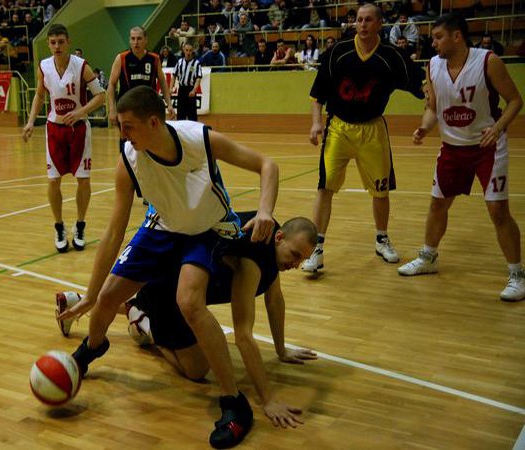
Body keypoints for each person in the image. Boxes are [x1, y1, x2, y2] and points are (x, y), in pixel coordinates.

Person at [60, 85, 278, 448]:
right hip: (161, 227)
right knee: (109, 297)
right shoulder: (129, 158)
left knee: (189, 302)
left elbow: (267, 165)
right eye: (120, 126)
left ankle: (234, 402)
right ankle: (90, 350)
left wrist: (266, 209)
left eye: (128, 126)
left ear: (154, 122)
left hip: (207, 229)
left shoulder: (199, 139)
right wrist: (91, 294)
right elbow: (114, 232)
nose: (122, 134)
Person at [58, 212, 317, 427]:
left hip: (182, 289)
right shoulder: (252, 260)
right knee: (197, 371)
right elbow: (243, 335)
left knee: (197, 338)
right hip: (166, 294)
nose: (297, 264)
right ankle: (143, 323)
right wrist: (268, 400)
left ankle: (90, 302)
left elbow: (275, 300)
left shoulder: (268, 239)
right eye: (296, 255)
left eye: (303, 259)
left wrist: (281, 350)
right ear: (279, 237)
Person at [398, 14, 525, 302]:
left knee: (498, 211)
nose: (433, 43)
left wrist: (498, 127)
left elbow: (515, 100)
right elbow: (433, 107)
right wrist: (425, 127)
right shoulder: (432, 65)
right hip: (452, 148)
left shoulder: (488, 61)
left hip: (487, 147)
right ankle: (428, 257)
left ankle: (517, 274)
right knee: (437, 204)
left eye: (438, 37)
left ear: (457, 36)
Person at [302, 3, 425, 273]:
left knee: (381, 190)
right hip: (339, 129)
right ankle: (316, 248)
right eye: (359, 19)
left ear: (380, 24)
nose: (362, 24)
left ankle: (382, 239)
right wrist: (316, 123)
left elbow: (422, 83)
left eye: (368, 20)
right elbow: (317, 94)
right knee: (325, 187)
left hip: (372, 130)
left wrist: (435, 101)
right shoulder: (338, 52)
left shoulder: (392, 56)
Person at [22, 24, 106, 253]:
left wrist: (80, 112)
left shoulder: (82, 66)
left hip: (78, 130)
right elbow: (40, 96)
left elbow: (100, 96)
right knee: (53, 181)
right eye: (53, 42)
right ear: (48, 44)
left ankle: (80, 225)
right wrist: (30, 122)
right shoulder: (44, 67)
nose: (57, 46)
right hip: (54, 130)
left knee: (83, 180)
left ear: (68, 42)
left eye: (60, 41)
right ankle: (59, 226)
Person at [106, 26, 174, 127]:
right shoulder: (121, 58)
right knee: (128, 137)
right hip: (126, 109)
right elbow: (111, 84)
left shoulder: (154, 59)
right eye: (133, 39)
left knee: (149, 137)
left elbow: (163, 82)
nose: (136, 42)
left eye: (139, 38)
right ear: (129, 40)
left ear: (146, 40)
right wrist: (112, 109)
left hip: (148, 109)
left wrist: (169, 104)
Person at [170, 42, 202, 121]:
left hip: (190, 90)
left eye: (190, 50)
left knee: (192, 114)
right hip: (181, 90)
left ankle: (193, 129)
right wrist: (170, 88)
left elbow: (198, 78)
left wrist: (194, 90)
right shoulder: (179, 62)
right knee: (180, 113)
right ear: (183, 50)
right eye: (187, 50)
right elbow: (173, 75)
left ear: (192, 51)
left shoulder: (196, 63)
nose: (188, 52)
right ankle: (180, 128)